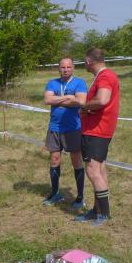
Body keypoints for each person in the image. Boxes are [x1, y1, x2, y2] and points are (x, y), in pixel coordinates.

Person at [74, 48, 120, 226]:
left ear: (88, 61)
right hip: (100, 130)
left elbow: (102, 100)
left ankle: (104, 214)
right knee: (99, 170)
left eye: (84, 61)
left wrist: (84, 106)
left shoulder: (105, 76)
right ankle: (97, 211)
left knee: (93, 171)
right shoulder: (106, 75)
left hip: (96, 130)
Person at [41, 57, 87, 209]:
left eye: (68, 67)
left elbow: (81, 101)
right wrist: (68, 97)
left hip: (73, 128)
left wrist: (57, 99)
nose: (65, 70)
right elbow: (47, 100)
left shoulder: (79, 83)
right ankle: (55, 193)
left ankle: (80, 197)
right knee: (54, 160)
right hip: (54, 127)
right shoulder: (52, 83)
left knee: (76, 161)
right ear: (58, 68)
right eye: (63, 67)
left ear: (73, 68)